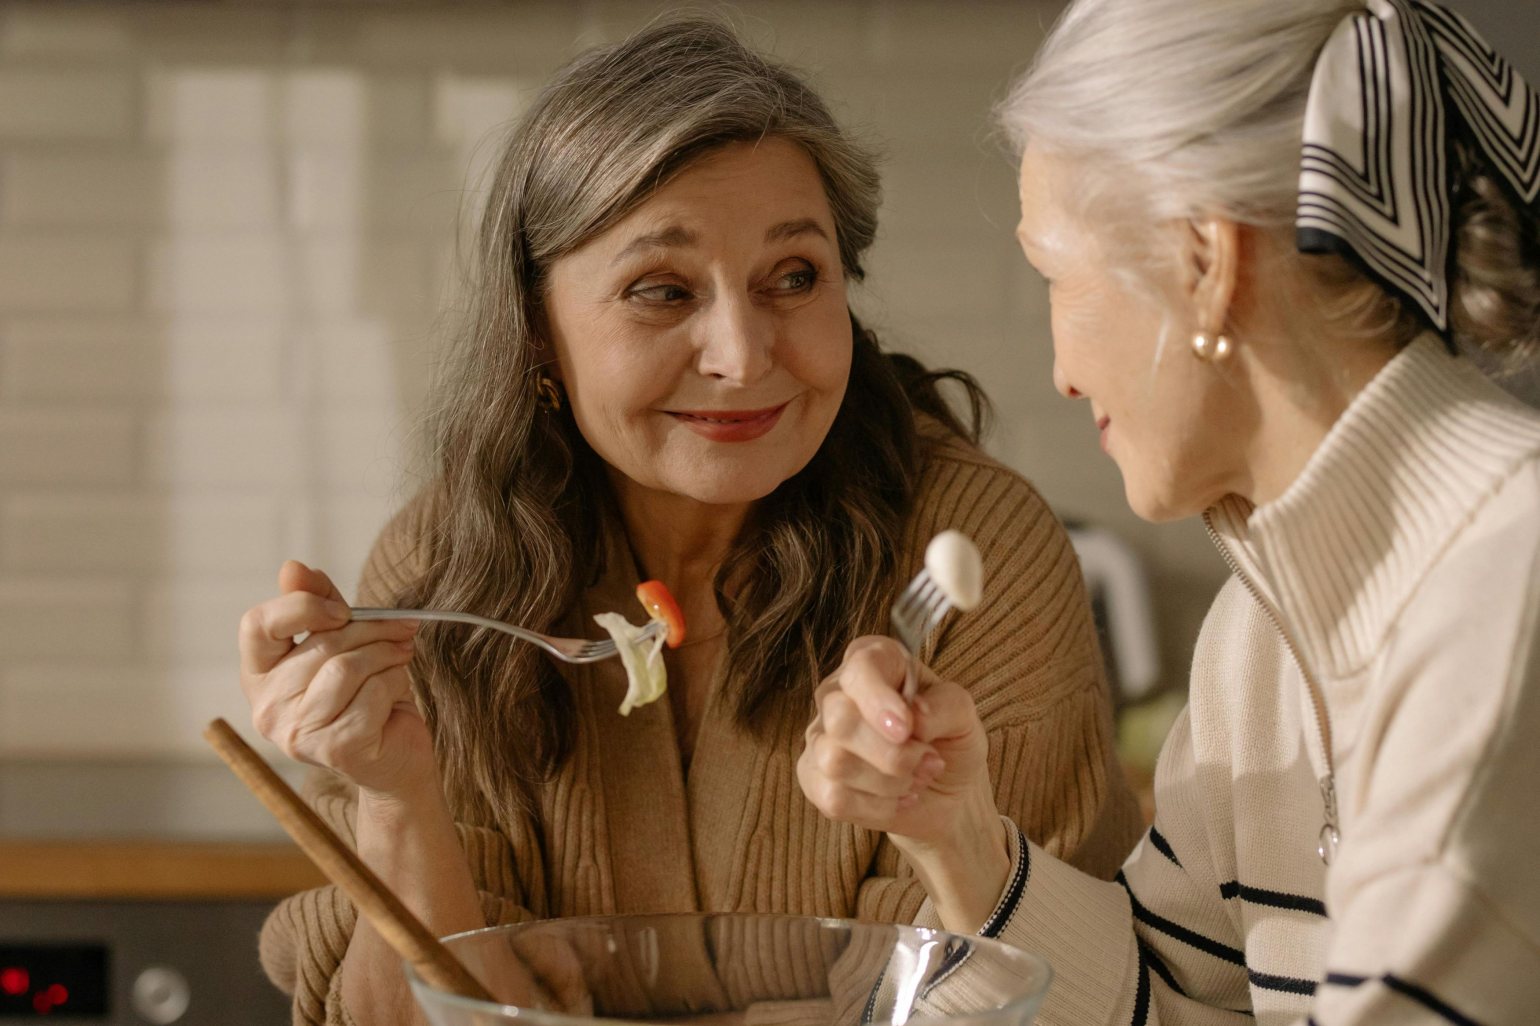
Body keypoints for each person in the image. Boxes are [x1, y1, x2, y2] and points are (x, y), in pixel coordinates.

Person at [237, 18, 1142, 1026]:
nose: (743, 354)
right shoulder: (446, 574)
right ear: (537, 326)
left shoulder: (976, 550)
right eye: (661, 291)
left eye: (793, 278)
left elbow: (1015, 993)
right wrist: (397, 799)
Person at [799, 0, 1540, 1023]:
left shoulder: (1507, 598)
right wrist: (956, 834)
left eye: (1054, 273)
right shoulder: (1260, 640)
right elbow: (1171, 1003)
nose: (1060, 372)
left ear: (1204, 261)